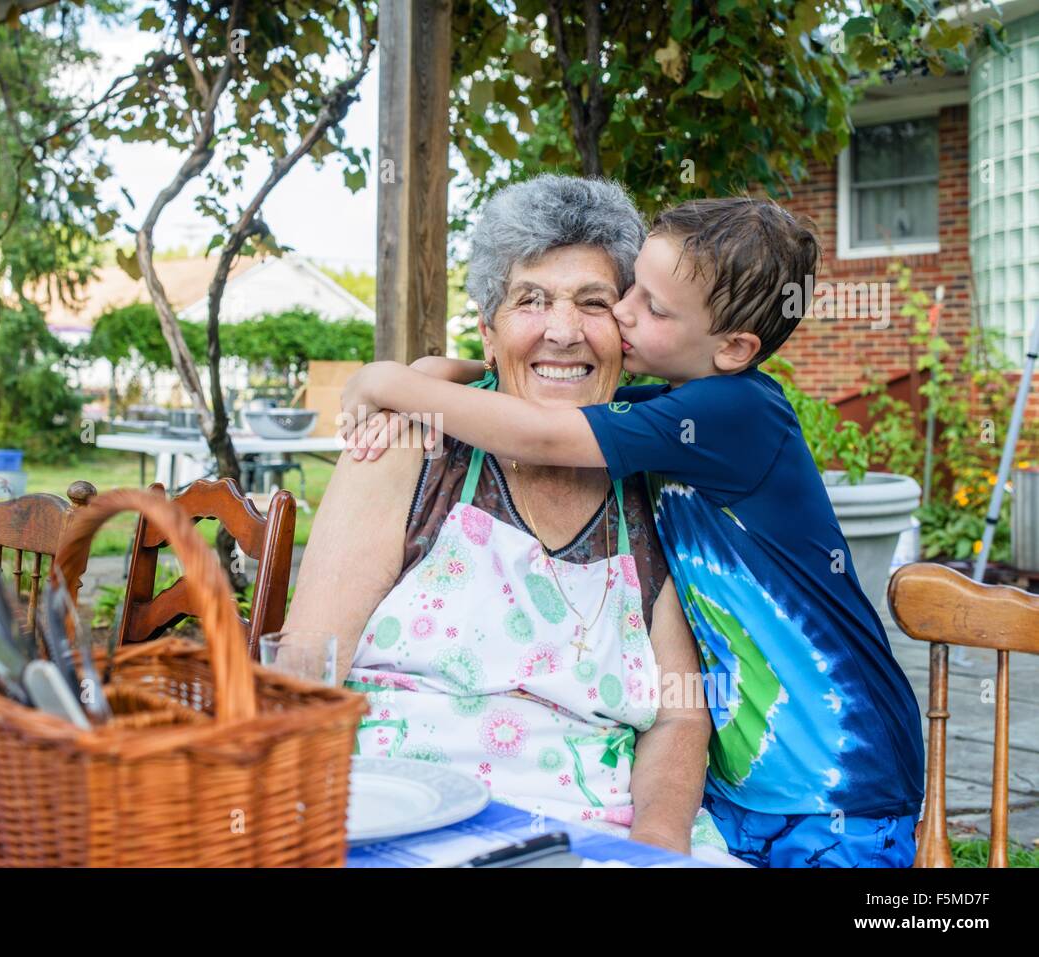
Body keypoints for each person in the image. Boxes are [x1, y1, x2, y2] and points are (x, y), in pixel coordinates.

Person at [340, 187, 925, 867]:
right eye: (627, 292)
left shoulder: (734, 413)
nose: (618, 313)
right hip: (750, 782)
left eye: (643, 304)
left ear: (734, 347)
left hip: (838, 771)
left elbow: (547, 431)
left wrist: (393, 381)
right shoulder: (676, 408)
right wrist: (451, 369)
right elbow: (548, 384)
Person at [284, 176, 737, 862]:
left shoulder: (659, 485)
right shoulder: (411, 446)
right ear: (488, 333)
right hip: (397, 814)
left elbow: (678, 711)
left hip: (595, 831)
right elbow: (306, 664)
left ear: (626, 330)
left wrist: (654, 849)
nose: (563, 329)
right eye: (531, 300)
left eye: (593, 302)